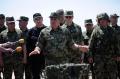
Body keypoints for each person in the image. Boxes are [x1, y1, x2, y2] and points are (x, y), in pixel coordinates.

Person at [29, 12, 89, 79]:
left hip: (64, 64)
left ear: (59, 20)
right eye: (51, 19)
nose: (53, 21)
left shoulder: (65, 31)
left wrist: (80, 47)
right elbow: (39, 44)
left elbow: (72, 44)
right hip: (50, 64)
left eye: (55, 19)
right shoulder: (44, 32)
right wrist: (37, 50)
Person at [88, 13, 120, 79]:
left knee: (112, 75)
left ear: (107, 21)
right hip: (99, 59)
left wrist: (118, 55)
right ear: (99, 21)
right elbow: (91, 45)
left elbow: (116, 44)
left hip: (110, 58)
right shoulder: (95, 31)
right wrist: (90, 56)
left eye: (104, 20)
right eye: (101, 20)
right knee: (99, 75)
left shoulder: (112, 31)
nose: (102, 21)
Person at [63, 10, 85, 79]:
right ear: (64, 17)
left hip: (77, 57)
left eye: (70, 17)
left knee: (77, 75)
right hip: (66, 57)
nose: (68, 18)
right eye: (67, 17)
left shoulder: (78, 27)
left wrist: (82, 56)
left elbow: (81, 42)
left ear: (73, 17)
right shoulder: (61, 28)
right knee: (67, 76)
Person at [26, 13, 46, 79]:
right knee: (35, 76)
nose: (38, 20)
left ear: (42, 19)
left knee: (48, 76)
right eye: (36, 19)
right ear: (34, 21)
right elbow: (27, 45)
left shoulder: (48, 30)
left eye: (39, 18)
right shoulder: (30, 31)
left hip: (46, 58)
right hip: (34, 59)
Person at [110, 13, 120, 79]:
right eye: (113, 18)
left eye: (116, 18)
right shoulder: (107, 29)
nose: (115, 19)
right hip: (109, 56)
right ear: (110, 19)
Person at [0, 14, 6, 79]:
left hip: (6, 56)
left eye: (2, 19)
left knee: (6, 75)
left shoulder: (8, 29)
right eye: (0, 19)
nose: (1, 20)